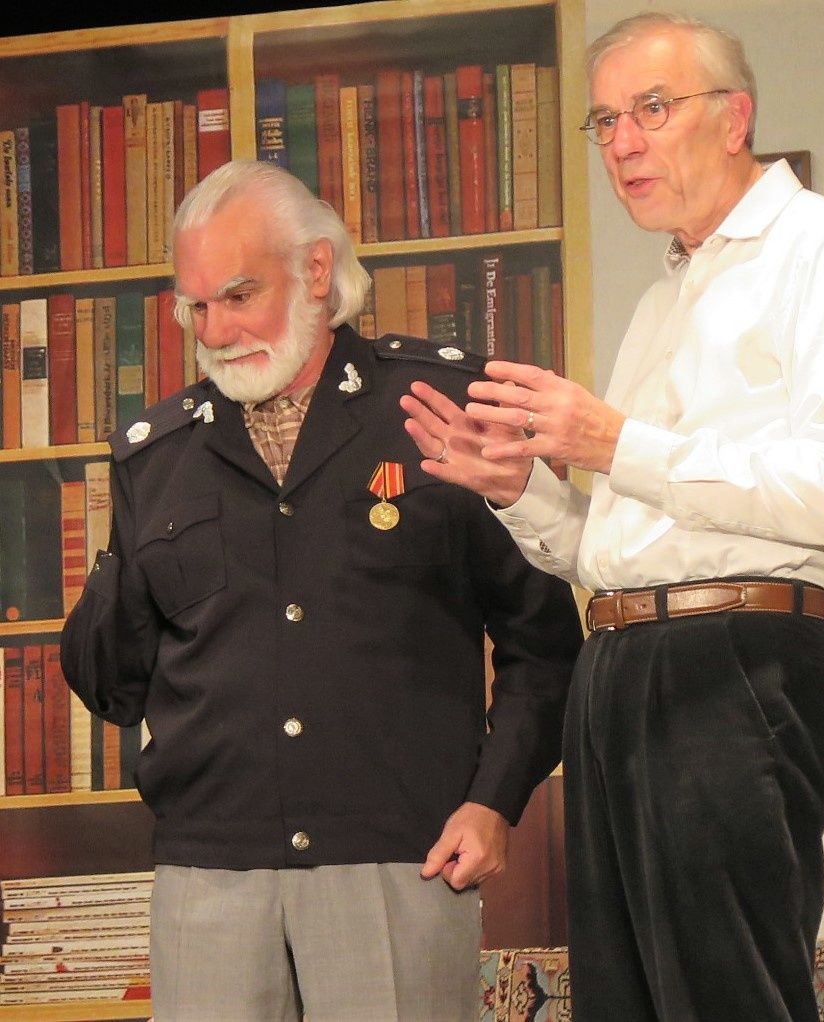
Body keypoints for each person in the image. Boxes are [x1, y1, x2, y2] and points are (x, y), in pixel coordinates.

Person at [400, 12, 824, 1020]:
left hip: (731, 665)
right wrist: (518, 489)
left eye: (651, 109)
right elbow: (623, 550)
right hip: (619, 665)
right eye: (604, 122)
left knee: (726, 999)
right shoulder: (662, 298)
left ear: (735, 118)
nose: (623, 143)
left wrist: (613, 442)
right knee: (624, 1002)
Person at [60, 160, 583, 1021]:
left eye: (238, 296)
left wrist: (494, 801)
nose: (216, 330)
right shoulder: (155, 455)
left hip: (401, 858)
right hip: (209, 875)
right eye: (196, 308)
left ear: (314, 269)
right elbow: (110, 685)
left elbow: (545, 646)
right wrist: (125, 542)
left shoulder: (442, 409)